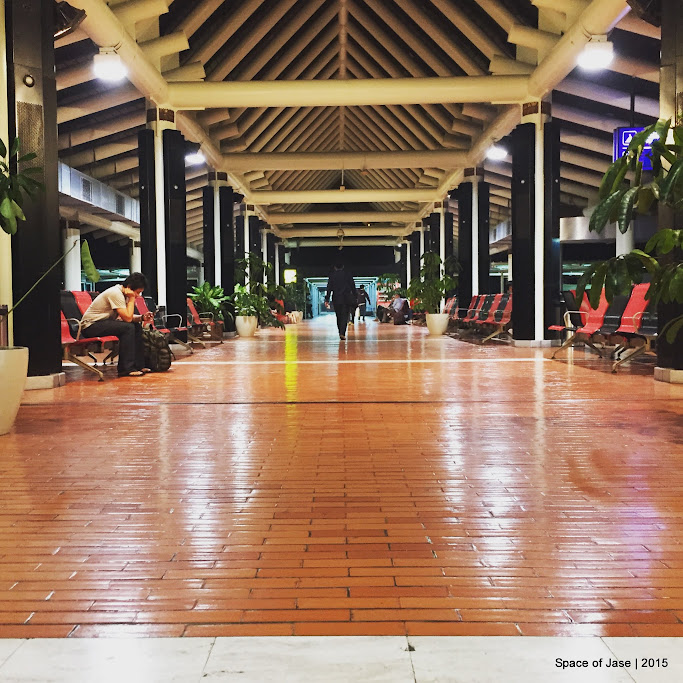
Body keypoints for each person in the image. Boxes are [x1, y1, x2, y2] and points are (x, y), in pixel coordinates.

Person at [80, 272, 153, 377]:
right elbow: (127, 318)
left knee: (136, 326)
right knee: (128, 328)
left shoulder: (124, 294)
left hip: (101, 323)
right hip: (90, 326)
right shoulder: (116, 293)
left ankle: (138, 365)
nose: (138, 295)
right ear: (129, 287)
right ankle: (126, 369)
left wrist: (141, 317)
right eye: (138, 292)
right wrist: (132, 299)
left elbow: (126, 316)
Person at [324, 261, 357, 340]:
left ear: (335, 267)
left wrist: (327, 299)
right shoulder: (348, 274)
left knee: (338, 315)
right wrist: (355, 296)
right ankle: (342, 332)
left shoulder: (332, 275)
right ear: (343, 267)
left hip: (336, 298)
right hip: (346, 298)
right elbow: (353, 286)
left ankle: (340, 331)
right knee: (345, 315)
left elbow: (329, 288)